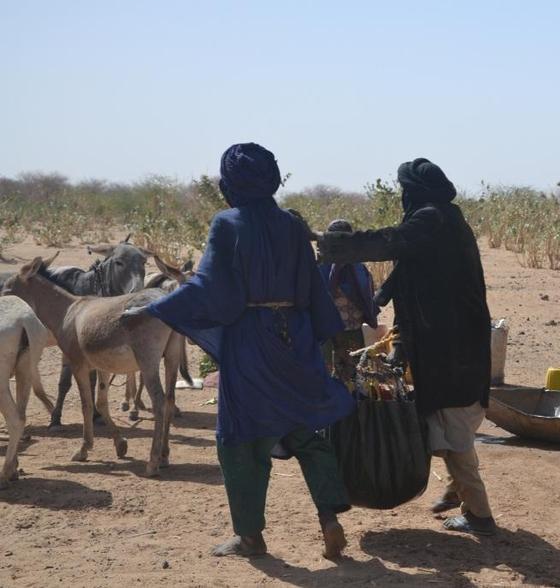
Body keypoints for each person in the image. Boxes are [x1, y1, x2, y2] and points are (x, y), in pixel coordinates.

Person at [135, 143, 354, 560]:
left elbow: (208, 289)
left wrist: (155, 307)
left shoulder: (227, 224)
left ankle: (250, 537)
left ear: (229, 184)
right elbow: (313, 287)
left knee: (241, 440)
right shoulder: (292, 225)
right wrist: (325, 343)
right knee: (305, 429)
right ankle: (329, 517)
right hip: (296, 339)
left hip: (250, 343)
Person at [318, 158, 496, 536]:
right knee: (444, 421)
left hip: (453, 348)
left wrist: (336, 245)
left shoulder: (432, 219)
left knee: (453, 427)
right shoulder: (445, 221)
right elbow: (410, 265)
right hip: (449, 344)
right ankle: (457, 490)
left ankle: (479, 513)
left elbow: (392, 240)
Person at [317, 219, 380, 380]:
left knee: (344, 367)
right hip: (341, 325)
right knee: (348, 366)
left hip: (337, 325)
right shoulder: (353, 265)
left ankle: (347, 396)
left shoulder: (326, 264)